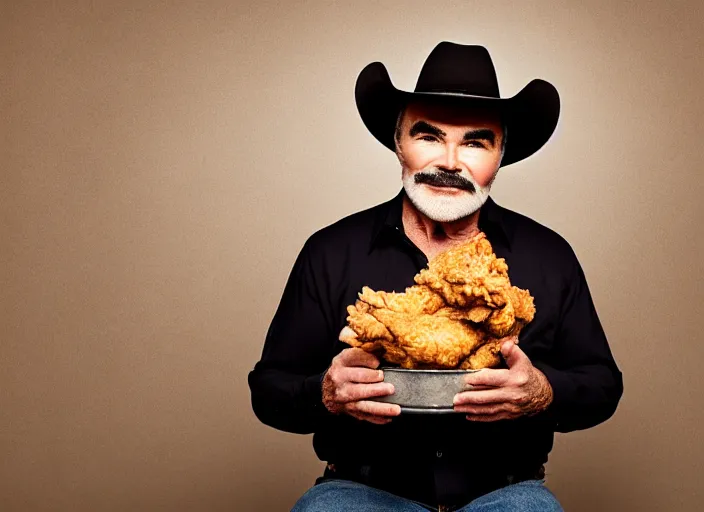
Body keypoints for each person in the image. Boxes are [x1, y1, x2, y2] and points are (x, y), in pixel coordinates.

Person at [248, 42, 623, 511]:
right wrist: (326, 393)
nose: (449, 161)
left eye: (475, 141)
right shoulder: (330, 251)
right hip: (362, 491)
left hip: (505, 493)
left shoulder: (549, 255)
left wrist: (542, 392)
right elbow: (268, 390)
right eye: (428, 137)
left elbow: (603, 385)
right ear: (398, 143)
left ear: (500, 155)